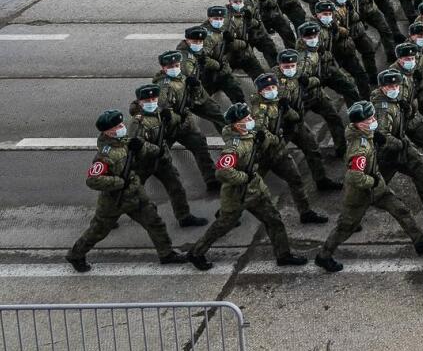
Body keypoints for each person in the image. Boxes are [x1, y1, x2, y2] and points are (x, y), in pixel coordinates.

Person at [316, 100, 423, 272]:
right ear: (358, 124)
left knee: (401, 210)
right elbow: (355, 177)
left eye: (372, 117)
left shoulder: (367, 135)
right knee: (346, 227)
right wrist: (373, 181)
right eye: (368, 120)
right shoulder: (358, 148)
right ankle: (324, 256)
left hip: (378, 188)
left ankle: (420, 242)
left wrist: (380, 142)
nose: (373, 121)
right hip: (360, 193)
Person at [188, 104, 307, 270]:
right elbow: (222, 172)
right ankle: (196, 252)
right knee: (223, 225)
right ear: (237, 125)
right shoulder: (233, 147)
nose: (251, 120)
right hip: (237, 194)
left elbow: (270, 142)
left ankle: (283, 255)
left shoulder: (250, 135)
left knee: (274, 220)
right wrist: (243, 177)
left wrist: (263, 139)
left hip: (255, 190)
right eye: (247, 119)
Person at [66, 109, 186, 272]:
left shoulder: (125, 141)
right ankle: (76, 255)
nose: (122, 127)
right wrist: (119, 182)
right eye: (118, 126)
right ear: (108, 132)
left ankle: (166, 254)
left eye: (121, 124)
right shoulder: (104, 156)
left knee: (155, 222)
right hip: (115, 200)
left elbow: (153, 151)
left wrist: (141, 147)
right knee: (98, 231)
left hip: (136, 195)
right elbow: (93, 180)